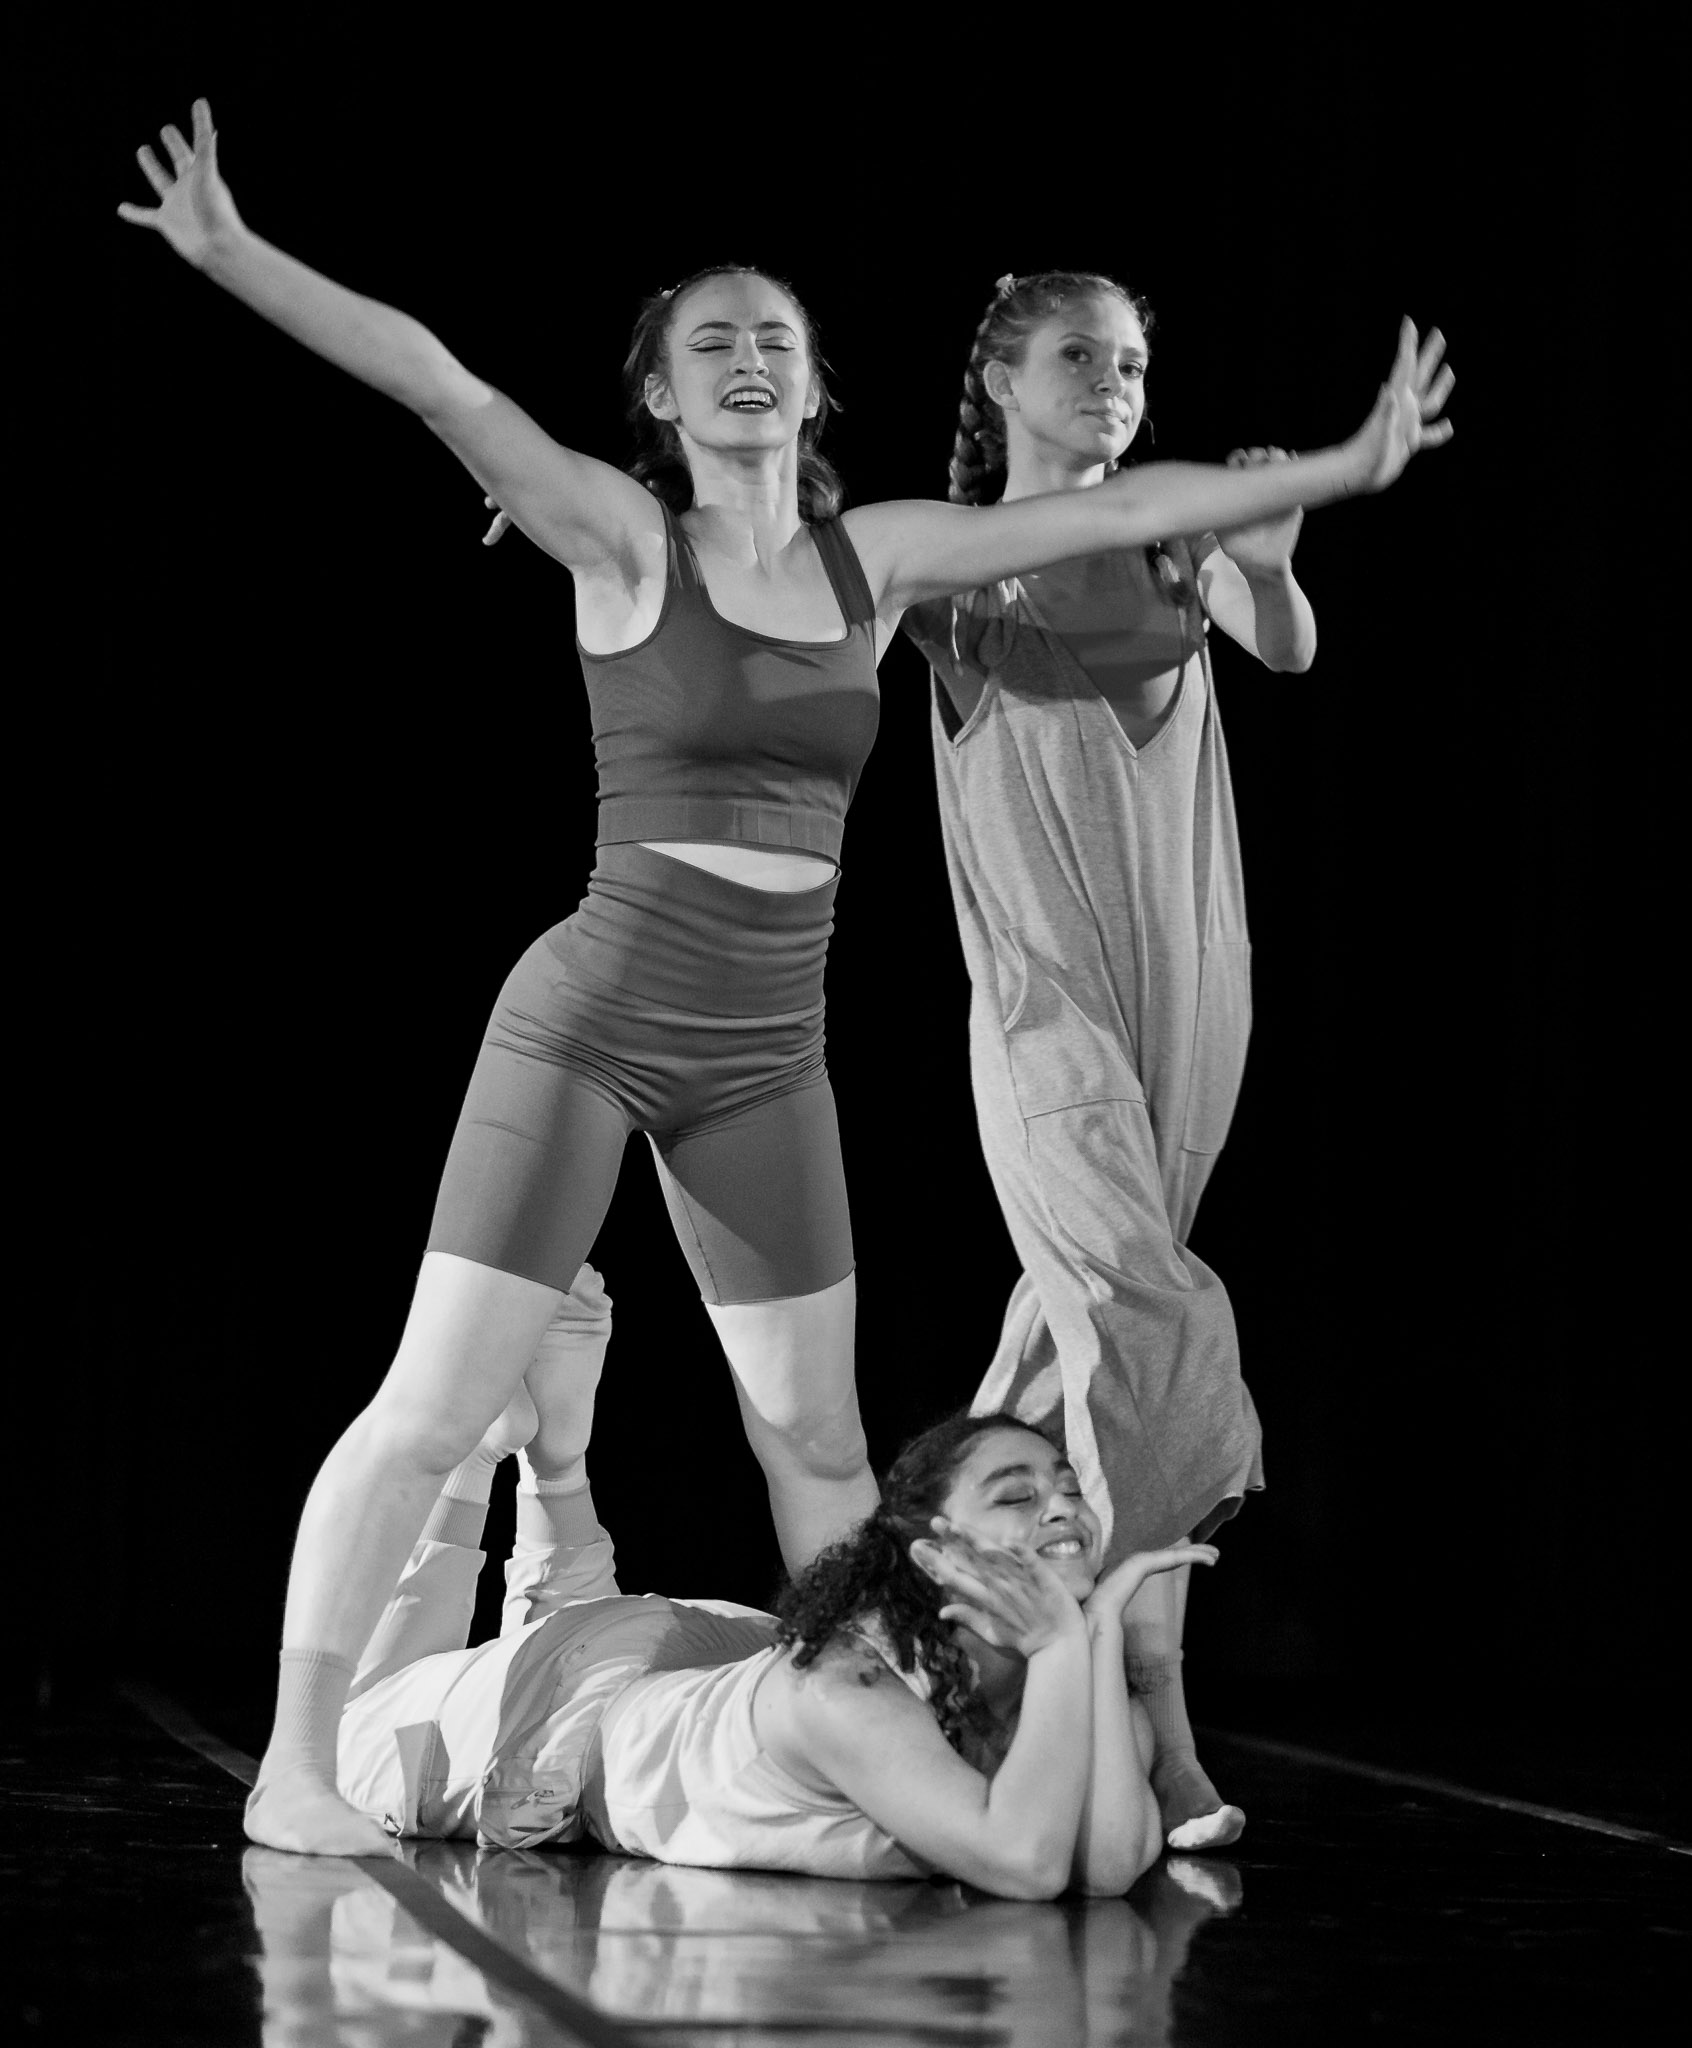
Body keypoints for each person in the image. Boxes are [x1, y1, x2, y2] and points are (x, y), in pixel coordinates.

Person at [118, 100, 1451, 1854]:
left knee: (816, 1445)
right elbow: (440, 380)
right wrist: (232, 254)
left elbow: (1132, 502)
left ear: (812, 393)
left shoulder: (874, 557)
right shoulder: (614, 533)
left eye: (777, 339)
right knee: (432, 1402)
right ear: (663, 396)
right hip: (591, 1017)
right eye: (709, 342)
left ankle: (865, 1753)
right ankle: (297, 1765)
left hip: (764, 1049)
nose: (748, 357)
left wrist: (1335, 472)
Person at [902, 271, 1452, 1850]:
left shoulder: (1169, 531)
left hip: (1193, 983)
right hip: (1043, 1001)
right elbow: (769, 576)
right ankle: (1156, 1711)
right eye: (1081, 356)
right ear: (1002, 378)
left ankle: (935, 1623)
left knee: (1073, 1338)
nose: (1117, 381)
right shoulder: (946, 571)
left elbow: (1284, 647)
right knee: (1146, 1305)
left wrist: (1272, 555)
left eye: (1135, 362)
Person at [331, 1268, 1218, 1900]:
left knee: (557, 1636)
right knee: (351, 1734)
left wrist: (1096, 1638)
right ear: (932, 1545)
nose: (1063, 1506)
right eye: (1018, 1495)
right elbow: (1025, 1864)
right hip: (578, 1707)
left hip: (700, 1658)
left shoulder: (1038, 1675)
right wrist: (1071, 1641)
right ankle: (497, 1455)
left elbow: (1106, 1870)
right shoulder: (848, 1687)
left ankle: (554, 1457)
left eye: (1069, 1487)